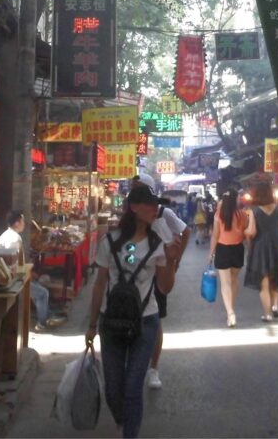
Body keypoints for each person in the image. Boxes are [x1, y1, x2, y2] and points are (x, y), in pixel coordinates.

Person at [86, 184, 184, 439]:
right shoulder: (110, 242)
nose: (155, 209)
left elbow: (164, 287)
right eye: (149, 204)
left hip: (146, 321)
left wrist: (171, 260)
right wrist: (92, 324)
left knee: (132, 387)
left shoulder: (159, 244)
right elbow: (99, 284)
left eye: (156, 205)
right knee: (113, 388)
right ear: (134, 208)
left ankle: (130, 433)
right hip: (111, 320)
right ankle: (122, 420)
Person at [137, 176, 190, 391]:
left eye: (141, 189)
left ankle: (153, 368)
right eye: (134, 189)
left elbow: (186, 231)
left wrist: (175, 261)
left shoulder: (163, 213)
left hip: (158, 272)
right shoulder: (130, 212)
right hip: (134, 274)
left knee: (155, 319)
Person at [0, 210, 53, 332]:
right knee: (43, 293)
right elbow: (13, 261)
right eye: (22, 221)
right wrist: (25, 274)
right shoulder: (14, 238)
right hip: (13, 279)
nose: (24, 224)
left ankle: (45, 316)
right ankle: (42, 324)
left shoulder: (4, 235)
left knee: (38, 287)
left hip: (7, 274)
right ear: (17, 223)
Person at [243, 178, 278, 322]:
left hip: (260, 247)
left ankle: (267, 314)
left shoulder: (254, 211)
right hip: (276, 246)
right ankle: (275, 306)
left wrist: (245, 233)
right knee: (275, 278)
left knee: (264, 282)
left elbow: (252, 232)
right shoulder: (277, 210)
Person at [208, 188, 250, 327]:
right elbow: (245, 234)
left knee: (225, 283)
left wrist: (211, 253)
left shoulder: (219, 215)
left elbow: (215, 236)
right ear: (235, 199)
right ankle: (231, 307)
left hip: (222, 249)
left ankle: (230, 313)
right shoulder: (243, 214)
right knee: (234, 280)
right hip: (238, 249)